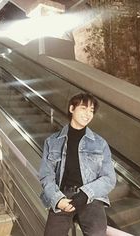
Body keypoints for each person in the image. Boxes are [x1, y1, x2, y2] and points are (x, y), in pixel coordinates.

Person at [39, 93, 116, 236]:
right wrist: (58, 200)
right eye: (83, 108)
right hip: (63, 196)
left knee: (97, 233)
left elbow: (109, 178)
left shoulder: (100, 143)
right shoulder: (52, 141)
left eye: (91, 110)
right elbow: (46, 176)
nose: (88, 114)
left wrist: (86, 194)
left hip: (90, 197)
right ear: (72, 108)